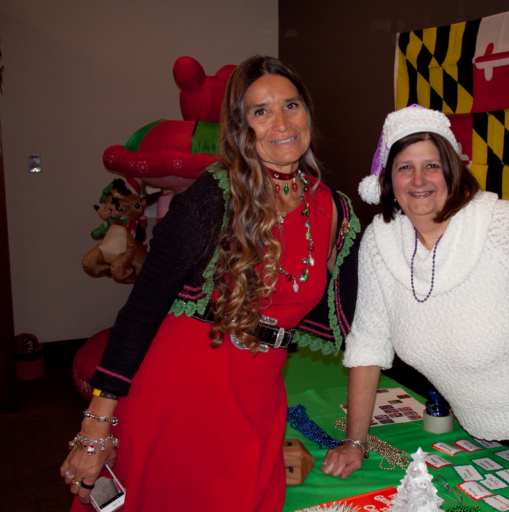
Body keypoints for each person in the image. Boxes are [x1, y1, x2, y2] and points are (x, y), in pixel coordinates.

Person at [60, 55, 359, 511]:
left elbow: (369, 307)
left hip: (258, 394)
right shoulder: (213, 195)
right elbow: (140, 311)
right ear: (242, 127)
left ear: (308, 113)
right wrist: (95, 426)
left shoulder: (333, 208)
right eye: (261, 111)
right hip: (182, 393)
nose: (281, 122)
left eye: (291, 105)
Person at [321, 105, 509, 489]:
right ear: (387, 179)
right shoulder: (380, 243)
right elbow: (368, 343)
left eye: (431, 165)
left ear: (452, 169)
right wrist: (355, 442)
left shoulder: (503, 226)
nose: (418, 180)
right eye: (404, 167)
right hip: (487, 429)